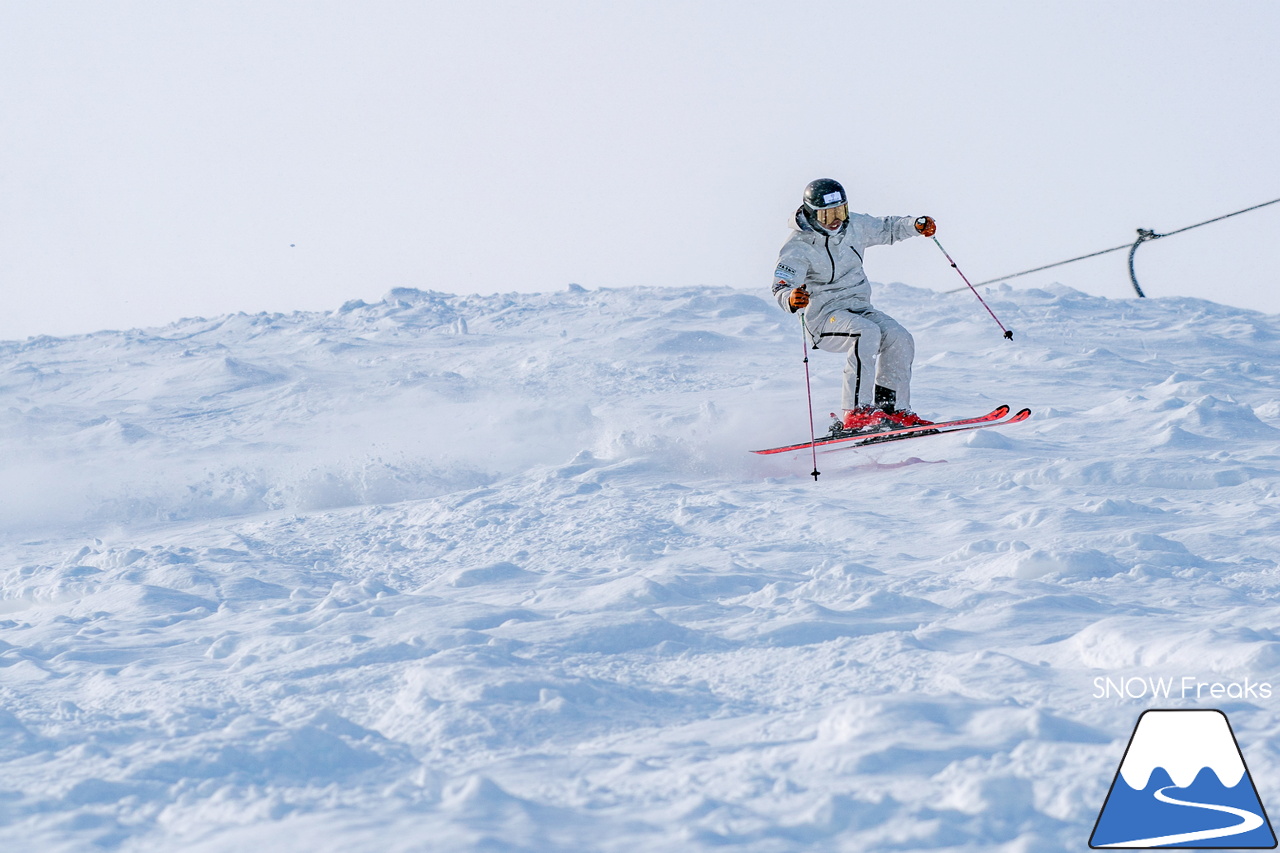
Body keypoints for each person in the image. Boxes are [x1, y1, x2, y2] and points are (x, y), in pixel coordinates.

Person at [771, 177, 936, 433]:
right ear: (812, 215)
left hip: (859, 308)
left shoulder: (854, 225)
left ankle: (892, 410)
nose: (836, 220)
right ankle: (856, 413)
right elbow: (781, 285)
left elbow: (888, 227)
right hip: (825, 318)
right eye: (827, 215)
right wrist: (792, 297)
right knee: (866, 332)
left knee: (899, 337)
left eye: (840, 211)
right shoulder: (798, 246)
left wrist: (914, 225)